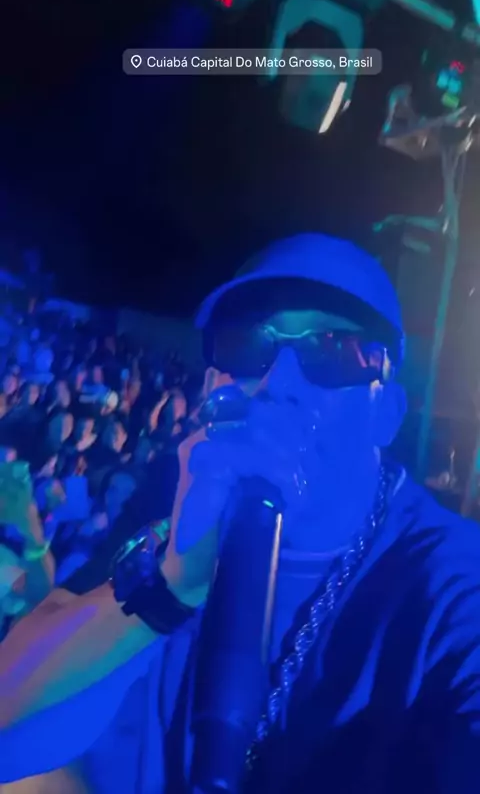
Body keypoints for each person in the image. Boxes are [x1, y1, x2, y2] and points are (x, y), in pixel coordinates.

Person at [2, 232, 480, 794]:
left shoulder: (451, 578)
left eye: (332, 349)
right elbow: (12, 733)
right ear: (212, 385)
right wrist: (173, 587)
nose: (277, 383)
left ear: (388, 415)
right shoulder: (180, 506)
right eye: (246, 344)